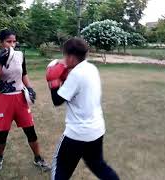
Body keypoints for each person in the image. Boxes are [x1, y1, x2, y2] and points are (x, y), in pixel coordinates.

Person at [46, 38, 120, 180]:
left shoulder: (76, 74)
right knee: (98, 165)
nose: (64, 60)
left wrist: (53, 83)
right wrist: (64, 76)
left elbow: (57, 101)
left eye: (65, 56)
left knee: (60, 169)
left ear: (71, 57)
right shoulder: (91, 68)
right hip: (96, 130)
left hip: (77, 134)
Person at [0, 29, 50, 172]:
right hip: (3, 99)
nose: (12, 45)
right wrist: (1, 63)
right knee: (2, 133)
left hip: (20, 97)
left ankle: (38, 158)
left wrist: (30, 87)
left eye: (14, 41)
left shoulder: (20, 55)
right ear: (1, 42)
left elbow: (24, 74)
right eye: (8, 41)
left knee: (30, 130)